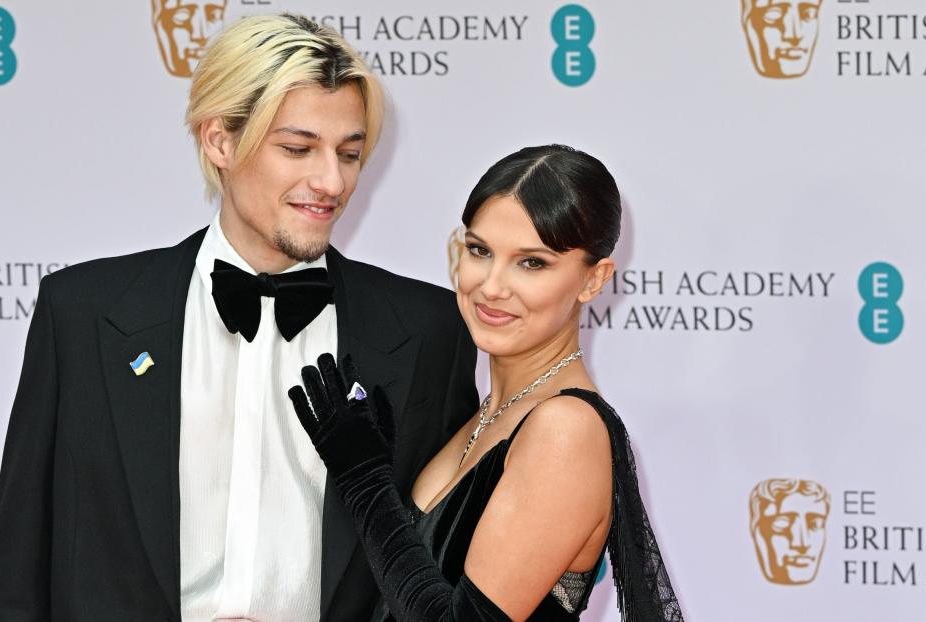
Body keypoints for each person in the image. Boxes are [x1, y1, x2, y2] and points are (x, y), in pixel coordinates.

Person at [0, 14, 478, 622]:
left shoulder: (429, 332)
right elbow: (17, 570)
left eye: (349, 153)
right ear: (220, 141)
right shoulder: (82, 314)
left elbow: (444, 570)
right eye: (297, 148)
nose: (332, 181)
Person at [290, 145, 684, 621]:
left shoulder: (567, 429)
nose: (492, 285)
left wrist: (366, 481)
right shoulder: (486, 415)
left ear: (593, 280)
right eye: (480, 251)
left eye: (532, 262)